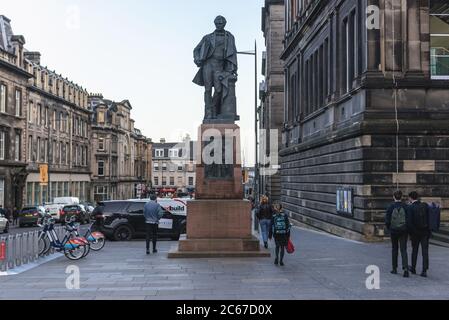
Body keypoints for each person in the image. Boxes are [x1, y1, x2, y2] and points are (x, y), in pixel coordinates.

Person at [385, 190, 410, 277]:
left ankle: (394, 268)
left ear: (393, 197)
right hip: (403, 230)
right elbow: (409, 219)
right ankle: (405, 268)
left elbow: (387, 220)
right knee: (403, 249)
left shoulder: (391, 206)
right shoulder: (405, 206)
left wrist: (389, 228)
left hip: (394, 230)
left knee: (394, 248)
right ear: (401, 197)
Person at [407, 191, 431, 277]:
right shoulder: (425, 205)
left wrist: (412, 232)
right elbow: (429, 218)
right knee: (425, 251)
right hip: (425, 232)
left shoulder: (410, 207)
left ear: (410, 198)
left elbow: (409, 222)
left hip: (415, 233)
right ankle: (424, 270)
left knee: (415, 250)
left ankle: (413, 268)